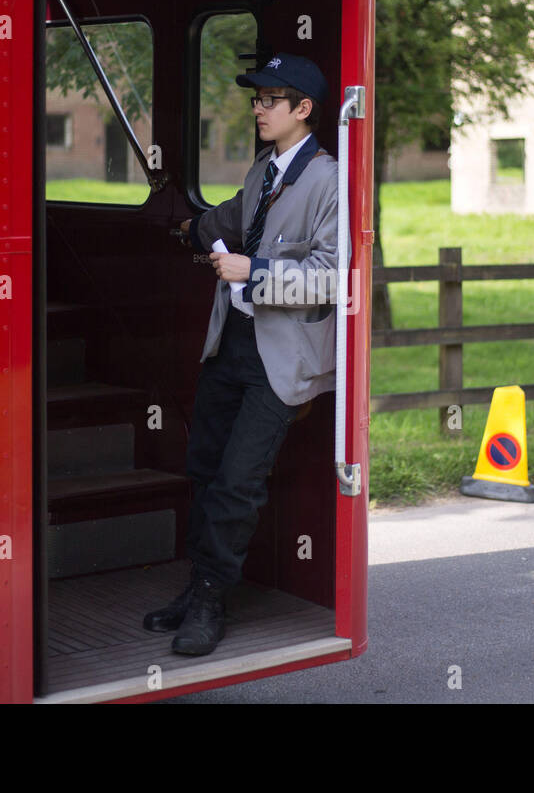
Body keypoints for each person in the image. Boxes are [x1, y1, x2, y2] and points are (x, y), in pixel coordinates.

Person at [145, 52, 340, 656]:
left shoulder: (328, 180)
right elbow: (230, 218)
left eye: (270, 100)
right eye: (256, 99)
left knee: (237, 482)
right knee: (203, 469)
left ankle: (210, 600)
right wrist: (183, 223)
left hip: (278, 362)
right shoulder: (265, 169)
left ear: (302, 110)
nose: (258, 108)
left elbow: (332, 277)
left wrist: (253, 271)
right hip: (229, 343)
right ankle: (198, 583)